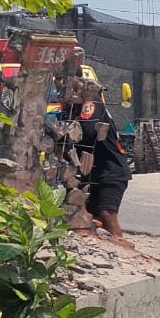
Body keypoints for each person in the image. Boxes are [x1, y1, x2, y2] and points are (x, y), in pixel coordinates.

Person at [63, 78, 133, 244]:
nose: (62, 84)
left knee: (106, 213)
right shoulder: (75, 108)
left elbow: (86, 132)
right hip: (93, 173)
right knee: (91, 216)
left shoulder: (91, 104)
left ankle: (124, 253)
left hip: (110, 170)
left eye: (64, 80)